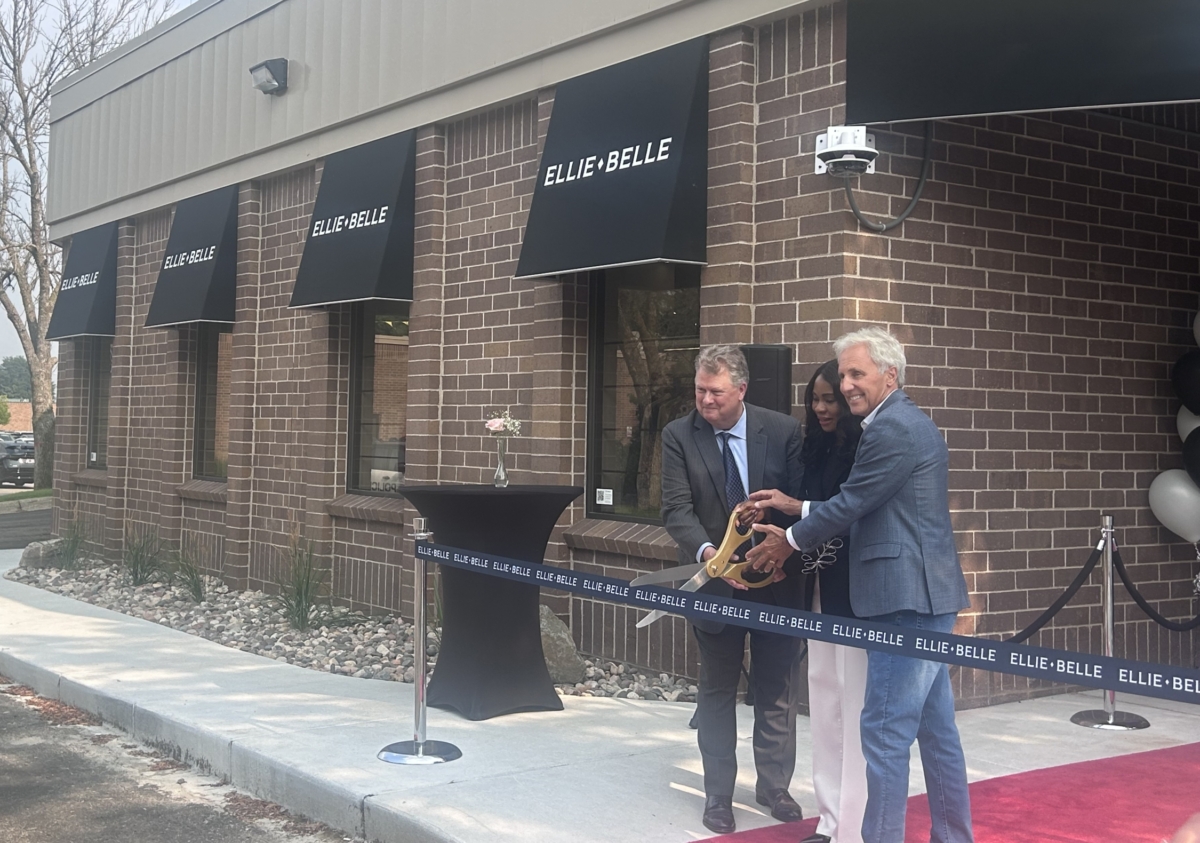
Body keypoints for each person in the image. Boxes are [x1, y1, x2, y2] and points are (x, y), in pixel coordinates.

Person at [745, 326, 973, 843]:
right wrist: (794, 505)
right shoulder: (896, 423)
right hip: (922, 597)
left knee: (885, 734)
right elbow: (863, 502)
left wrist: (789, 540)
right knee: (936, 734)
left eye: (856, 373)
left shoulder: (891, 428)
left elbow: (851, 505)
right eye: (842, 373)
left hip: (905, 600)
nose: (846, 385)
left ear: (889, 375)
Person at [660, 344, 806, 835]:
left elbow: (800, 503)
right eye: (699, 390)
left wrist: (780, 539)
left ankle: (774, 787)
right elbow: (676, 509)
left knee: (777, 691)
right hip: (715, 586)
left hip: (777, 582)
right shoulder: (679, 435)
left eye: (715, 392)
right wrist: (710, 556)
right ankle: (718, 795)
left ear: (741, 389)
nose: (705, 401)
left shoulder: (783, 430)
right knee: (717, 693)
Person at [750, 360, 867, 843]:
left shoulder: (869, 445)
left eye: (830, 399)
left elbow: (852, 511)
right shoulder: (815, 447)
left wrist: (796, 516)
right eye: (814, 399)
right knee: (822, 703)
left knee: (854, 709)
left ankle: (856, 826)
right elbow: (804, 529)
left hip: (858, 594)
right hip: (817, 590)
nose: (821, 407)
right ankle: (829, 820)